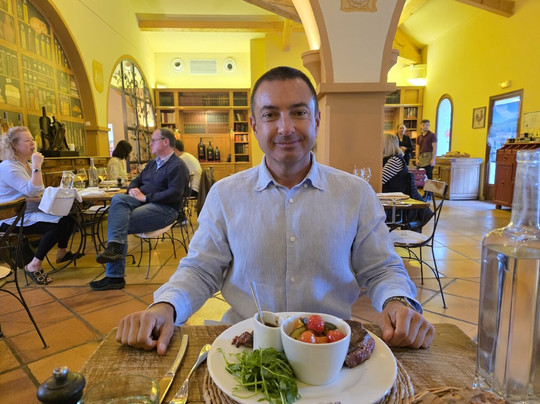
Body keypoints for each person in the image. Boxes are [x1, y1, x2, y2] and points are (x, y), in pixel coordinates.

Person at [115, 66, 434, 354]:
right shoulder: (225, 195)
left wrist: (398, 301)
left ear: (316, 120)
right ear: (254, 125)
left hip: (329, 349)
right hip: (244, 348)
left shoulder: (356, 194)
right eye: (270, 115)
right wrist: (166, 306)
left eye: (298, 112)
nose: (285, 127)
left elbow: (381, 269)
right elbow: (201, 270)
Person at [89, 128, 189, 291]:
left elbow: (174, 194)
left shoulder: (177, 166)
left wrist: (146, 197)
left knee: (118, 221)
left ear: (166, 142)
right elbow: (136, 181)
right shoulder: (153, 163)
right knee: (118, 199)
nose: (150, 144)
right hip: (143, 203)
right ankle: (114, 250)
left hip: (165, 209)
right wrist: (132, 190)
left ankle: (114, 275)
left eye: (154, 140)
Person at [0, 126, 78, 285]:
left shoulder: (25, 163)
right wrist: (37, 165)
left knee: (70, 215)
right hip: (13, 217)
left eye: (32, 139)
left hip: (30, 212)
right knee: (59, 225)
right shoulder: (9, 167)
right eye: (26, 140)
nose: (32, 143)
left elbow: (38, 191)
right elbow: (33, 191)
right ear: (14, 146)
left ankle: (61, 253)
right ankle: (34, 265)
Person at [382, 133, 432, 229]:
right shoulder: (388, 159)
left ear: (387, 144)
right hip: (392, 201)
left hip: (399, 205)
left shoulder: (395, 160)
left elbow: (380, 180)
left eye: (381, 142)